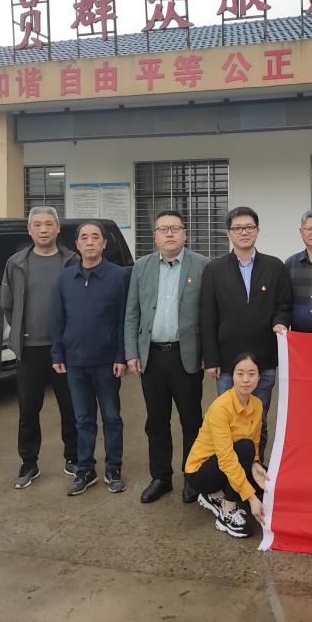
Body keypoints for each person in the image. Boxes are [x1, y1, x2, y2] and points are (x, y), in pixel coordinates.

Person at [124, 210, 210, 506]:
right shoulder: (142, 267)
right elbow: (132, 312)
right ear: (155, 236)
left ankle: (192, 476)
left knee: (191, 420)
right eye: (163, 229)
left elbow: (209, 314)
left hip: (186, 356)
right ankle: (160, 477)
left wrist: (208, 354)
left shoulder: (202, 265)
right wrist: (132, 352)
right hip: (152, 356)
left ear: (185, 233)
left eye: (175, 228)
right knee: (156, 421)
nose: (169, 233)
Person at [201, 206, 291, 455]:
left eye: (249, 227)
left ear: (257, 231)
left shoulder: (274, 266)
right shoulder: (215, 269)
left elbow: (284, 304)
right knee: (229, 421)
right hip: (227, 363)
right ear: (228, 233)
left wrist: (280, 321)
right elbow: (207, 317)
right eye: (238, 228)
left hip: (264, 360)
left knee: (258, 419)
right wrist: (211, 359)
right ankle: (232, 470)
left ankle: (256, 466)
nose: (244, 232)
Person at [50, 220, 130, 496]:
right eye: (84, 237)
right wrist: (57, 353)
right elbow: (58, 319)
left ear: (104, 244)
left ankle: (113, 468)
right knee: (83, 418)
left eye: (95, 237)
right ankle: (85, 469)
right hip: (74, 362)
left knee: (112, 417)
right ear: (77, 244)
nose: (90, 241)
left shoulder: (118, 277)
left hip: (107, 362)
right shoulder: (65, 278)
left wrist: (121, 356)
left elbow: (124, 319)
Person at [2, 206, 79, 489]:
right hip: (29, 348)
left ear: (58, 228)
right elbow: (8, 303)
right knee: (28, 410)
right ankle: (29, 463)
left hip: (64, 349)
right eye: (37, 224)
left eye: (49, 224)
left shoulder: (71, 260)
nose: (43, 229)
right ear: (29, 230)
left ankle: (73, 458)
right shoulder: (16, 263)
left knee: (71, 407)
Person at [185, 352, 270, 539]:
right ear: (232, 376)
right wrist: (250, 498)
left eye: (252, 374)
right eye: (240, 374)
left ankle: (215, 495)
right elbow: (227, 458)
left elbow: (255, 442)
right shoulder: (221, 407)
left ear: (259, 377)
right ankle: (227, 510)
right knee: (245, 449)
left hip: (232, 461)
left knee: (268, 485)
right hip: (201, 471)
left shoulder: (257, 404)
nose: (246, 380)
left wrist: (255, 464)